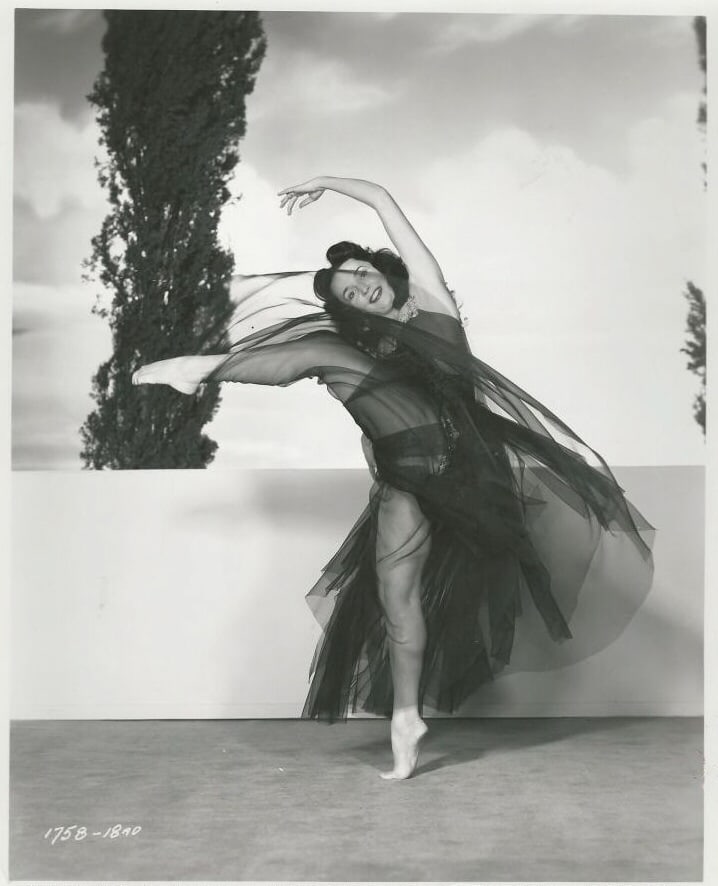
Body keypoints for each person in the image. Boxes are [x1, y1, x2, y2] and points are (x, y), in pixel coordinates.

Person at [132, 176, 654, 780]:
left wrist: (329, 184)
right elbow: (376, 424)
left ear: (387, 270)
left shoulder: (432, 303)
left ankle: (201, 369)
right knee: (394, 595)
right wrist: (378, 459)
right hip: (406, 480)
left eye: (363, 274)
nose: (361, 287)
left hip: (466, 476)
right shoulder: (367, 355)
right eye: (350, 293)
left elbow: (383, 200)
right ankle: (406, 720)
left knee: (322, 352)